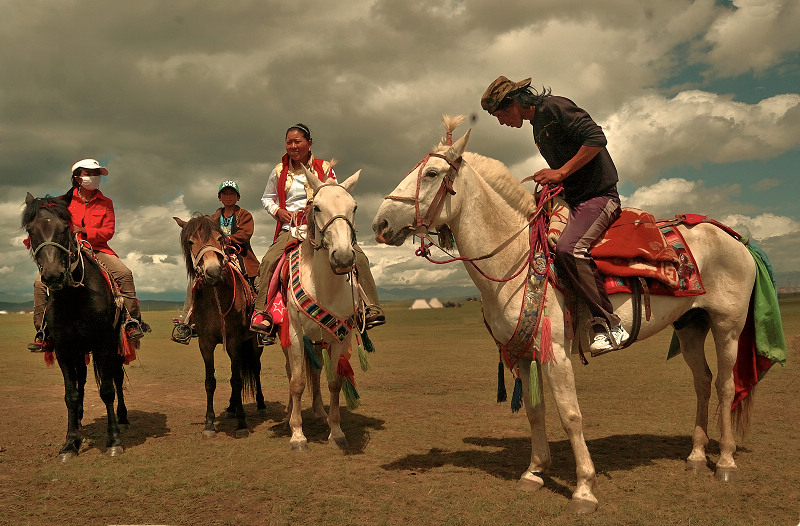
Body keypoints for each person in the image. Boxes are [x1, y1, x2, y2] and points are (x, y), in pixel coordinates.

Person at [480, 76, 629, 354]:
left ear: (513, 103)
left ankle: (610, 323)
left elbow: (597, 138)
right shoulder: (537, 126)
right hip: (572, 198)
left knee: (569, 249)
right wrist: (554, 181)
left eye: (500, 115)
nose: (501, 122)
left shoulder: (554, 107)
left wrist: (560, 172)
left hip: (598, 196)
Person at [250, 123, 385, 337]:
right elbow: (267, 198)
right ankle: (262, 314)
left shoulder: (324, 168)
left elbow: (336, 194)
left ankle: (371, 307)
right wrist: (278, 211)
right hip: (292, 228)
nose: (293, 146)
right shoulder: (278, 171)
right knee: (268, 261)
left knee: (358, 257)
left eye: (298, 141)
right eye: (289, 142)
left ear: (309, 143)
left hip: (323, 226)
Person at [28, 159, 148, 351]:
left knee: (125, 274)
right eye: (89, 173)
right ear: (77, 177)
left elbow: (108, 231)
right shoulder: (61, 202)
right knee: (39, 284)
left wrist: (82, 230)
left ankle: (132, 321)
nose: (94, 177)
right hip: (68, 251)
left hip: (98, 248)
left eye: (96, 174)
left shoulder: (106, 203)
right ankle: (42, 331)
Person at [171, 180, 260, 343]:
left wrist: (225, 239)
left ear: (238, 197)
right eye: (225, 194)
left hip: (241, 255)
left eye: (232, 194)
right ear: (219, 197)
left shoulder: (245, 215)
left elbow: (245, 234)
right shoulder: (212, 219)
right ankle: (186, 322)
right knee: (195, 280)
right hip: (218, 255)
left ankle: (260, 318)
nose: (228, 197)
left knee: (258, 283)